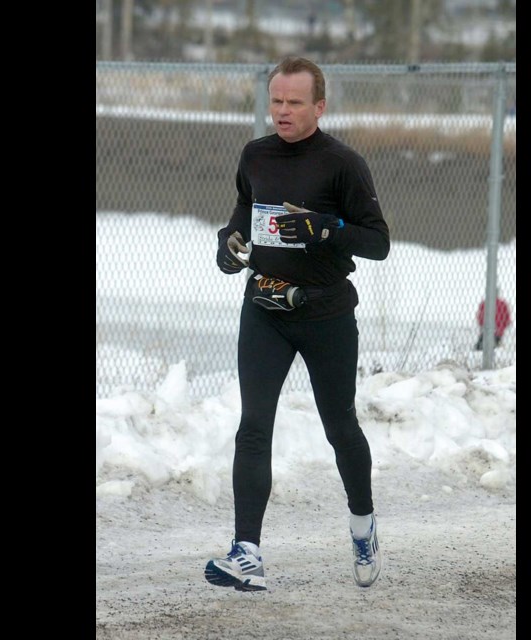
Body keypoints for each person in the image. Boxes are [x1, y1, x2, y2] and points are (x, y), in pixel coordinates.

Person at [206, 56, 390, 592]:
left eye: (293, 103)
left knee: (340, 427)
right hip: (265, 307)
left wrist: (325, 227)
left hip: (326, 313)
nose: (282, 112)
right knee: (254, 425)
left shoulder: (343, 164)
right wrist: (228, 241)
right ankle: (247, 553)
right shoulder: (255, 154)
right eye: (276, 101)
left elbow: (378, 242)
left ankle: (363, 525)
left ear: (319, 106)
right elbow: (245, 208)